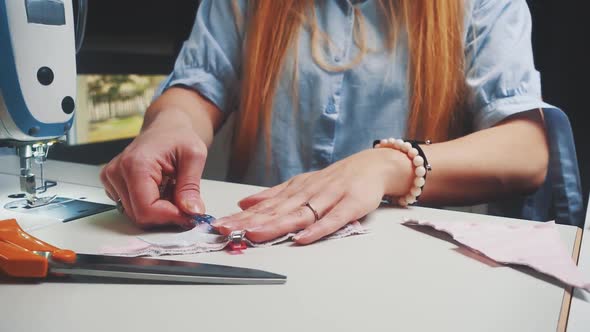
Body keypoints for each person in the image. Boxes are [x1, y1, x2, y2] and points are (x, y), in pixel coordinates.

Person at [100, 0, 555, 245]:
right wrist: (169, 125)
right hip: (256, 257)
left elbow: (527, 150)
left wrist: (388, 166)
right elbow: (199, 85)